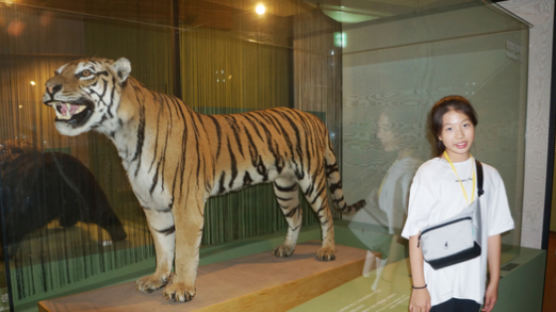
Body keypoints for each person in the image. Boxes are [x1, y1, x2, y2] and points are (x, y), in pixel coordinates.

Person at [401, 95, 514, 312]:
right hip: (435, 286)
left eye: (465, 125)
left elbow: (494, 231)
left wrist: (494, 281)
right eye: (450, 128)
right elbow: (416, 233)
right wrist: (418, 286)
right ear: (439, 135)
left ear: (474, 126)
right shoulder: (428, 172)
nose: (460, 134)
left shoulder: (490, 175)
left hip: (472, 286)